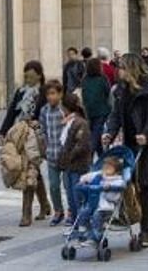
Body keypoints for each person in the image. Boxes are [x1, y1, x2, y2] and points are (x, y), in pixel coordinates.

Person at [102, 53, 148, 249]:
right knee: (127, 182)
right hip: (129, 141)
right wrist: (109, 133)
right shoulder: (120, 89)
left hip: (147, 143)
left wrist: (146, 134)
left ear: (130, 69)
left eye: (121, 67)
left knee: (144, 185)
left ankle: (147, 230)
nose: (118, 71)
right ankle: (129, 216)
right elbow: (115, 115)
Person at [0, 61, 51, 227]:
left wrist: (37, 122)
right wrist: (2, 131)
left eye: (30, 75)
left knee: (28, 170)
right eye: (25, 76)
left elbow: (49, 113)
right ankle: (44, 204)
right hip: (21, 134)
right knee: (32, 171)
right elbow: (12, 112)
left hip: (36, 136)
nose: (27, 79)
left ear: (39, 74)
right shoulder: (21, 92)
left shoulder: (44, 92)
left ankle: (26, 213)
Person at [73, 156, 127, 242]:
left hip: (106, 206)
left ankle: (96, 233)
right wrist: (82, 181)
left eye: (109, 167)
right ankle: (83, 231)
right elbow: (88, 176)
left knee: (96, 215)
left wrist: (108, 188)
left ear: (116, 170)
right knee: (83, 213)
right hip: (92, 203)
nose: (106, 168)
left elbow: (114, 196)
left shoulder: (118, 180)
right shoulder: (99, 175)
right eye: (105, 166)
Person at [58, 93, 92, 224]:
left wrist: (68, 157)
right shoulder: (68, 122)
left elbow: (81, 145)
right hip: (69, 166)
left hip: (78, 166)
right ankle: (76, 222)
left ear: (66, 108)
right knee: (71, 197)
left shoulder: (80, 123)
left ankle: (82, 223)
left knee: (77, 197)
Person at [39, 80, 68, 226]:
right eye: (48, 94)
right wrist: (43, 144)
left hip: (66, 155)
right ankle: (58, 210)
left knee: (69, 185)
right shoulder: (44, 110)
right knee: (54, 185)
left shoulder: (65, 109)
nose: (51, 97)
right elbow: (42, 129)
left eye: (53, 94)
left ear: (60, 94)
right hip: (51, 153)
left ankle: (72, 212)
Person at [81, 57, 111, 158]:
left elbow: (84, 94)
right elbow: (108, 92)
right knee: (96, 134)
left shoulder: (85, 79)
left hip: (89, 111)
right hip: (101, 111)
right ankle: (90, 156)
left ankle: (102, 157)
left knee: (95, 134)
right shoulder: (103, 78)